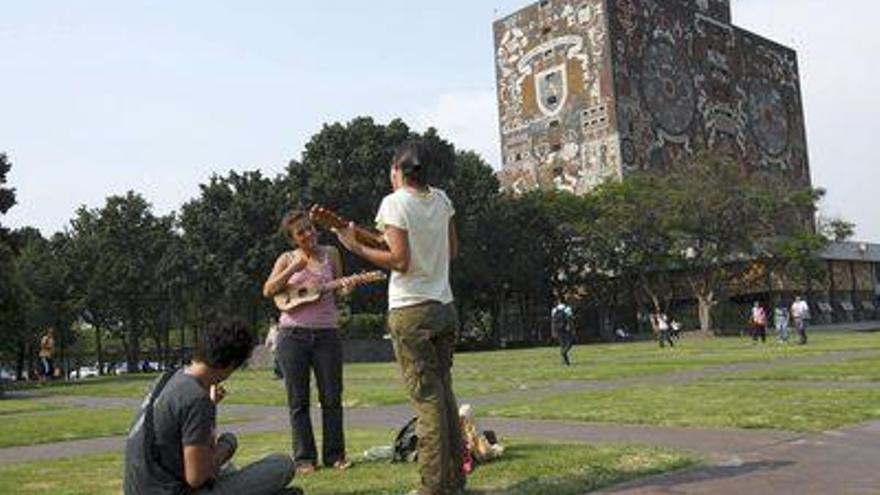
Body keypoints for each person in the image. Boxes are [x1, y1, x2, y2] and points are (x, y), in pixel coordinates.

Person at [332, 140, 465, 495]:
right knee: (444, 392)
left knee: (427, 401)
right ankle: (454, 480)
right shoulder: (441, 198)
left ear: (397, 170)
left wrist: (355, 246)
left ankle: (432, 487)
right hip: (444, 306)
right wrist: (371, 237)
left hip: (411, 309)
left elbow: (400, 260)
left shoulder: (394, 202)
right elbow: (451, 250)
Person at [123, 322, 298, 495]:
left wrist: (210, 406)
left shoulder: (166, 379)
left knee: (228, 470)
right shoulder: (196, 398)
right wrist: (227, 446)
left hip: (144, 486)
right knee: (282, 465)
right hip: (176, 489)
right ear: (231, 364)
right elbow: (196, 477)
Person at [262, 210, 352, 474]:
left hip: (327, 333)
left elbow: (339, 294)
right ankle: (304, 459)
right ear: (293, 238)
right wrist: (294, 267)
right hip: (292, 336)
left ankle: (335, 455)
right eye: (301, 231)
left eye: (310, 228)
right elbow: (268, 290)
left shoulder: (331, 254)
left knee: (332, 397)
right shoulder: (286, 258)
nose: (308, 234)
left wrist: (347, 288)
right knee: (298, 401)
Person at [550, 300, 575, 365]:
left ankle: (565, 361)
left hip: (557, 329)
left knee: (562, 344)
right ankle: (564, 353)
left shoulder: (554, 309)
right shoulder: (567, 308)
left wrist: (553, 331)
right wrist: (572, 329)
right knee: (569, 343)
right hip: (566, 329)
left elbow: (552, 322)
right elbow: (570, 320)